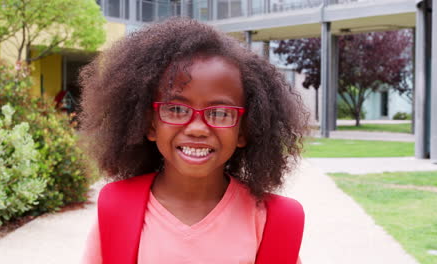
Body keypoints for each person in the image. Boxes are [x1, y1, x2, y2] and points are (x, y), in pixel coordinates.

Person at [79, 17, 309, 264]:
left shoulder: (272, 221)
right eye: (176, 109)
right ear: (149, 123)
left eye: (220, 113)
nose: (198, 128)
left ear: (244, 131)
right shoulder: (117, 208)